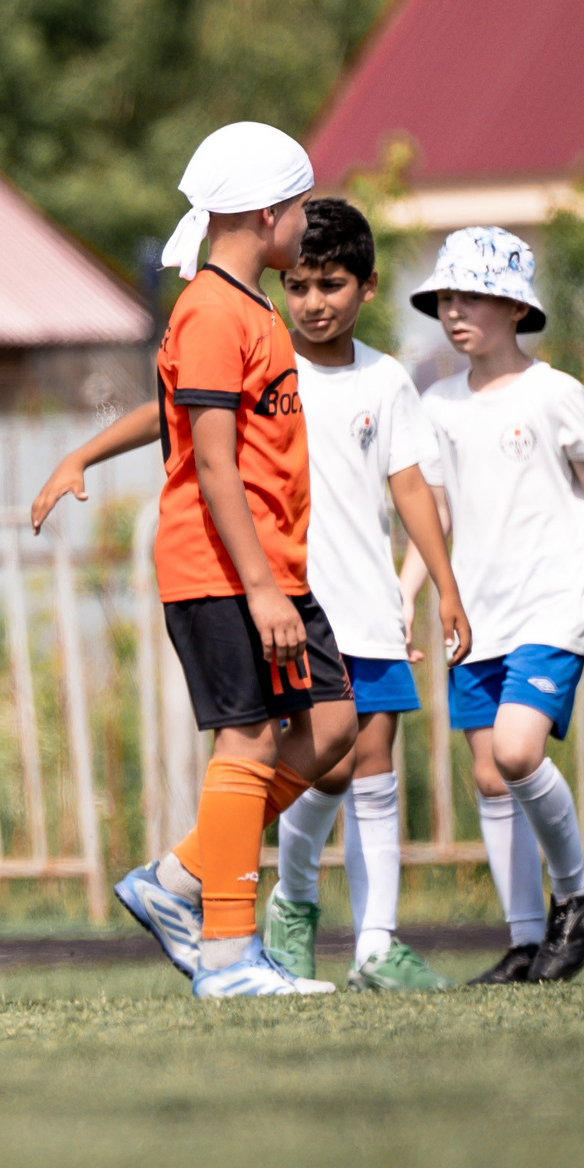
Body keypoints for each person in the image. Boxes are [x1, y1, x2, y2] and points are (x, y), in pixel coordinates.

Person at [34, 198, 470, 990]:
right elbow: (179, 421)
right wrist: (84, 455)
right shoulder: (233, 323)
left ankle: (209, 887)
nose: (312, 299)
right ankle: (256, 928)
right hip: (260, 579)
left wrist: (443, 585)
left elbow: (411, 487)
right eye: (300, 281)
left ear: (366, 289)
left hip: (333, 595)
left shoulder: (370, 372)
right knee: (264, 745)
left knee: (346, 741)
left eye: (330, 283)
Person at [100, 123, 355, 998]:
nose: (307, 225)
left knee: (331, 727)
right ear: (270, 212)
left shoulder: (251, 306)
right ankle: (227, 956)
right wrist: (260, 590)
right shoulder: (210, 309)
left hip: (270, 569)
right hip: (223, 572)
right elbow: (211, 462)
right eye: (303, 208)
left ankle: (175, 884)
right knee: (246, 740)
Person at [402, 227, 584, 983]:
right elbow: (436, 513)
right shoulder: (436, 404)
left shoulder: (556, 392)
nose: (455, 312)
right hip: (479, 614)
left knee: (521, 753)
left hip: (554, 600)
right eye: (445, 299)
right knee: (492, 777)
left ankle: (578, 895)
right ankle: (527, 943)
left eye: (472, 297)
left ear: (515, 306)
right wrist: (409, 596)